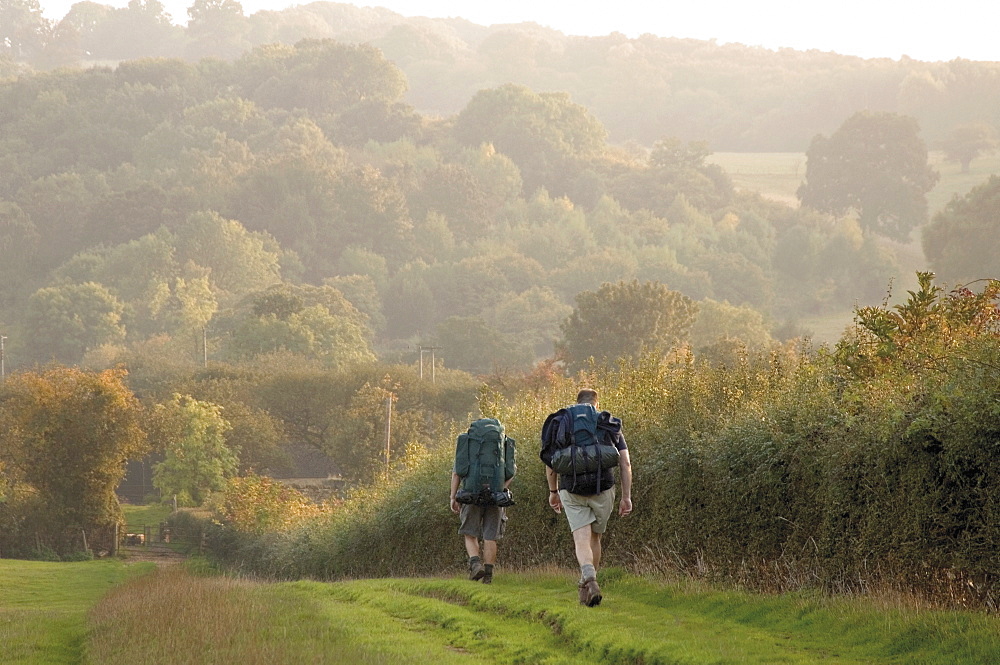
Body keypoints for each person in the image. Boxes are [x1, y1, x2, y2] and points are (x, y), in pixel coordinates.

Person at [543, 388, 632, 606]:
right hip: (603, 487)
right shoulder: (604, 422)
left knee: (580, 538)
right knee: (595, 538)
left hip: (571, 488)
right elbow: (625, 463)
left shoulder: (563, 421)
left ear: (577, 402)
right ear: (596, 403)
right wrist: (626, 496)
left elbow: (551, 463)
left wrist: (553, 491)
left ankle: (589, 579)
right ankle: (591, 582)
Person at [450, 420, 516, 584]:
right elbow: (511, 472)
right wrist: (501, 488)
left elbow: (458, 472)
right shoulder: (503, 443)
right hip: (495, 495)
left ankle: (475, 564)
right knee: (490, 537)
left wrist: (453, 497)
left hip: (471, 493)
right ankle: (488, 576)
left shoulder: (467, 442)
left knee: (470, 534)